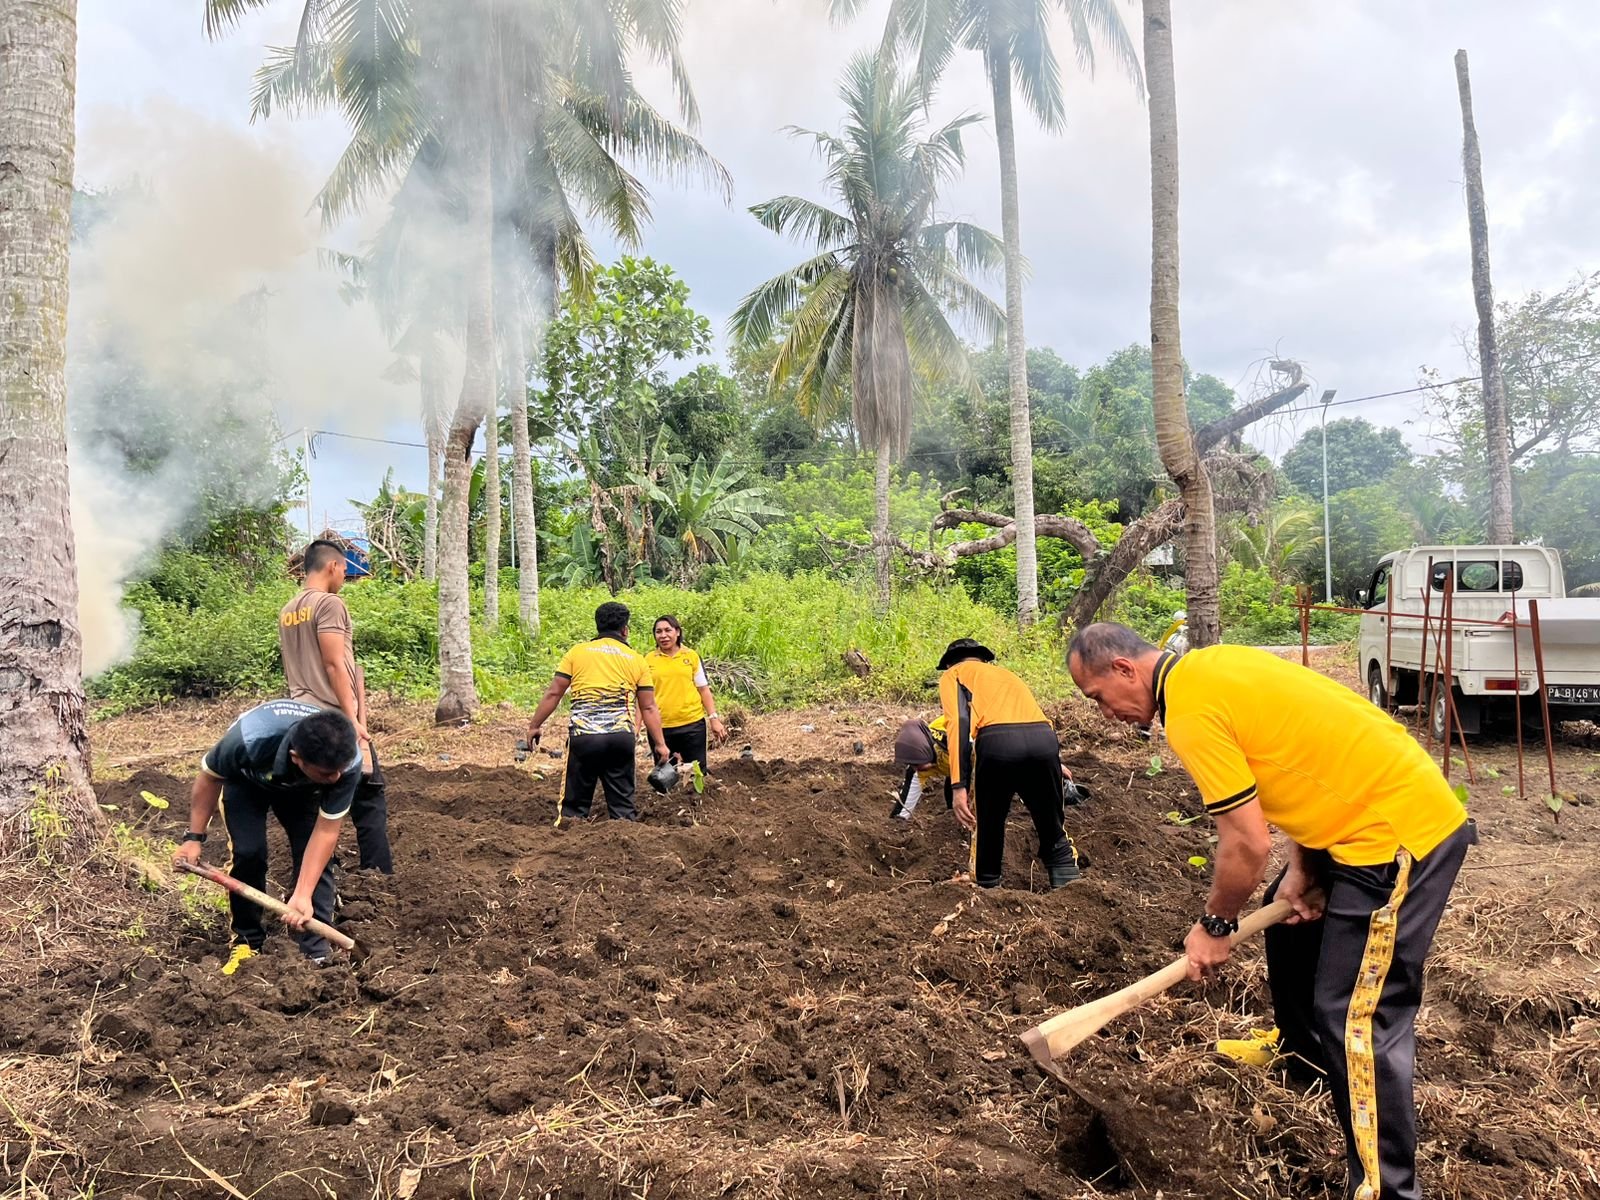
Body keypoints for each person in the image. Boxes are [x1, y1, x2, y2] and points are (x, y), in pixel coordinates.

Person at [1067, 623, 1475, 1200]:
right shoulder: (1213, 667)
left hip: (1399, 835)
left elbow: (1246, 843)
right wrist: (1305, 869)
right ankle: (1305, 1062)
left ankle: (1387, 1190)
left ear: (1124, 671)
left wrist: (1215, 925)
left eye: (1098, 698)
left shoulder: (1188, 714)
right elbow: (1305, 758)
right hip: (1355, 822)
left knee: (1355, 1018)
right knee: (1284, 918)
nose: (1103, 713)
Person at [174, 700, 362, 965]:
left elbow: (326, 832)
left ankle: (316, 952)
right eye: (328, 773)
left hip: (303, 790)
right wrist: (193, 839)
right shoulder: (248, 739)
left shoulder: (346, 763)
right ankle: (247, 942)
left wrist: (302, 894)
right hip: (246, 781)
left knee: (317, 861)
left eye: (339, 772)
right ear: (297, 758)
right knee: (249, 853)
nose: (336, 779)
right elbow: (210, 777)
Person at [279, 538, 392, 874]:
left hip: (301, 721)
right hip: (334, 719)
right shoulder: (329, 604)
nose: (345, 577)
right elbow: (333, 664)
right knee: (369, 799)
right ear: (333, 566)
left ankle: (320, 875)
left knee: (312, 804)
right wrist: (353, 718)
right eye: (345, 570)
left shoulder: (288, 610)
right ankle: (378, 877)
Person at [936, 638, 1080, 889]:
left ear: (949, 663)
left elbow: (958, 723)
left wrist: (958, 787)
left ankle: (988, 889)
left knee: (990, 823)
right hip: (1043, 742)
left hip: (997, 745)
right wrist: (1054, 762)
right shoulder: (1005, 675)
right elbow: (1033, 717)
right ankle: (1070, 893)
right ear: (982, 658)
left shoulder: (953, 675)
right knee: (1051, 823)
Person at [526, 601, 671, 821]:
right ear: (625, 630)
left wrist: (535, 725)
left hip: (585, 739)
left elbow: (554, 693)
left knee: (574, 808)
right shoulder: (636, 659)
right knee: (623, 808)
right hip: (620, 739)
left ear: (598, 626)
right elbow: (648, 706)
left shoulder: (578, 652)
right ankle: (625, 846)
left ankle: (568, 844)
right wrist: (660, 744)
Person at [893, 715, 1081, 821]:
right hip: (959, 769)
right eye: (915, 765)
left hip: (994, 747)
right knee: (956, 795)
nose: (920, 769)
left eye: (920, 764)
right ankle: (956, 822)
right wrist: (899, 821)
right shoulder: (920, 761)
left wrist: (1053, 762)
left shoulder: (956, 737)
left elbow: (1014, 739)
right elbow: (909, 795)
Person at [645, 614, 728, 773]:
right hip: (661, 727)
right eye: (658, 632)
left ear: (677, 632)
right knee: (666, 776)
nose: (663, 635)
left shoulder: (691, 656)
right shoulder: (648, 660)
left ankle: (697, 799)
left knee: (696, 773)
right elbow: (643, 698)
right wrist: (636, 727)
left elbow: (703, 689)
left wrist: (714, 719)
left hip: (692, 725)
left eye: (668, 630)